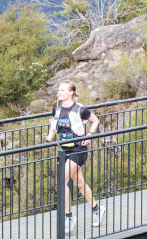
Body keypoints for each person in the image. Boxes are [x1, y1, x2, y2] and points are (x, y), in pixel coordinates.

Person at [45, 81, 105, 234]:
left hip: (78, 149)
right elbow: (53, 129)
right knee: (79, 183)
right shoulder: (56, 109)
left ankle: (68, 216)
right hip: (64, 150)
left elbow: (95, 120)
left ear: (71, 92)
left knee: (61, 181)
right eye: (58, 89)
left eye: (62, 90)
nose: (59, 92)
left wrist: (89, 135)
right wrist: (47, 141)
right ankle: (97, 209)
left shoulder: (80, 109)